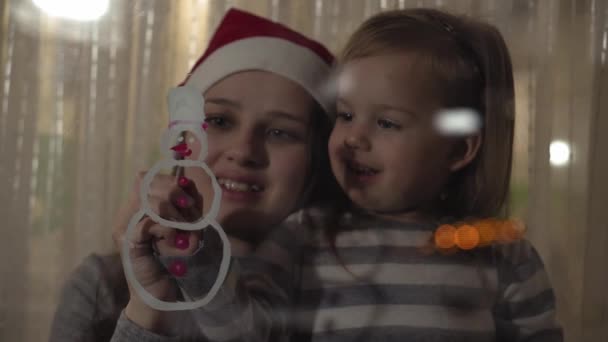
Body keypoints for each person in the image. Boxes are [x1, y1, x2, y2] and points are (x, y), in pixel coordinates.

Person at [112, 8, 563, 342]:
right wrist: (200, 261)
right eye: (344, 116)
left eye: (386, 123)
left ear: (457, 149)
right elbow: (247, 332)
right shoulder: (304, 237)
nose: (351, 139)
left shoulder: (503, 254)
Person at [48, 8, 337, 341]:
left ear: (317, 160)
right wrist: (147, 308)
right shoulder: (100, 286)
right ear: (180, 140)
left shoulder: (342, 292)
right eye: (219, 121)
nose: (243, 151)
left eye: (279, 133)